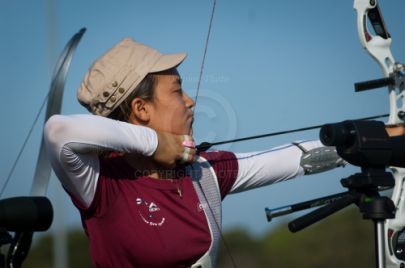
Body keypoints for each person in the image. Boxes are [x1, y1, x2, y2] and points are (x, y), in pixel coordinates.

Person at [43, 38, 397, 268]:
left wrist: (387, 135)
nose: (190, 100)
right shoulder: (103, 182)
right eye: (177, 91)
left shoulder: (203, 172)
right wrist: (156, 144)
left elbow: (295, 158)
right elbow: (59, 131)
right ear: (141, 108)